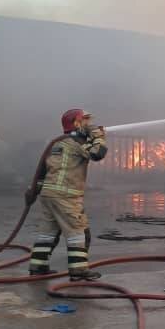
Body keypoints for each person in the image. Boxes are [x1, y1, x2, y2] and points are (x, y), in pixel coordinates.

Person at [26, 109, 108, 281]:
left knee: (48, 233)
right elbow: (97, 153)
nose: (88, 123)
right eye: (85, 121)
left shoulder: (56, 143)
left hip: (48, 195)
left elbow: (42, 168)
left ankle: (38, 267)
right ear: (77, 123)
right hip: (65, 197)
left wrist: (33, 190)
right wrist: (98, 135)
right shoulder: (76, 142)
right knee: (77, 232)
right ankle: (78, 271)